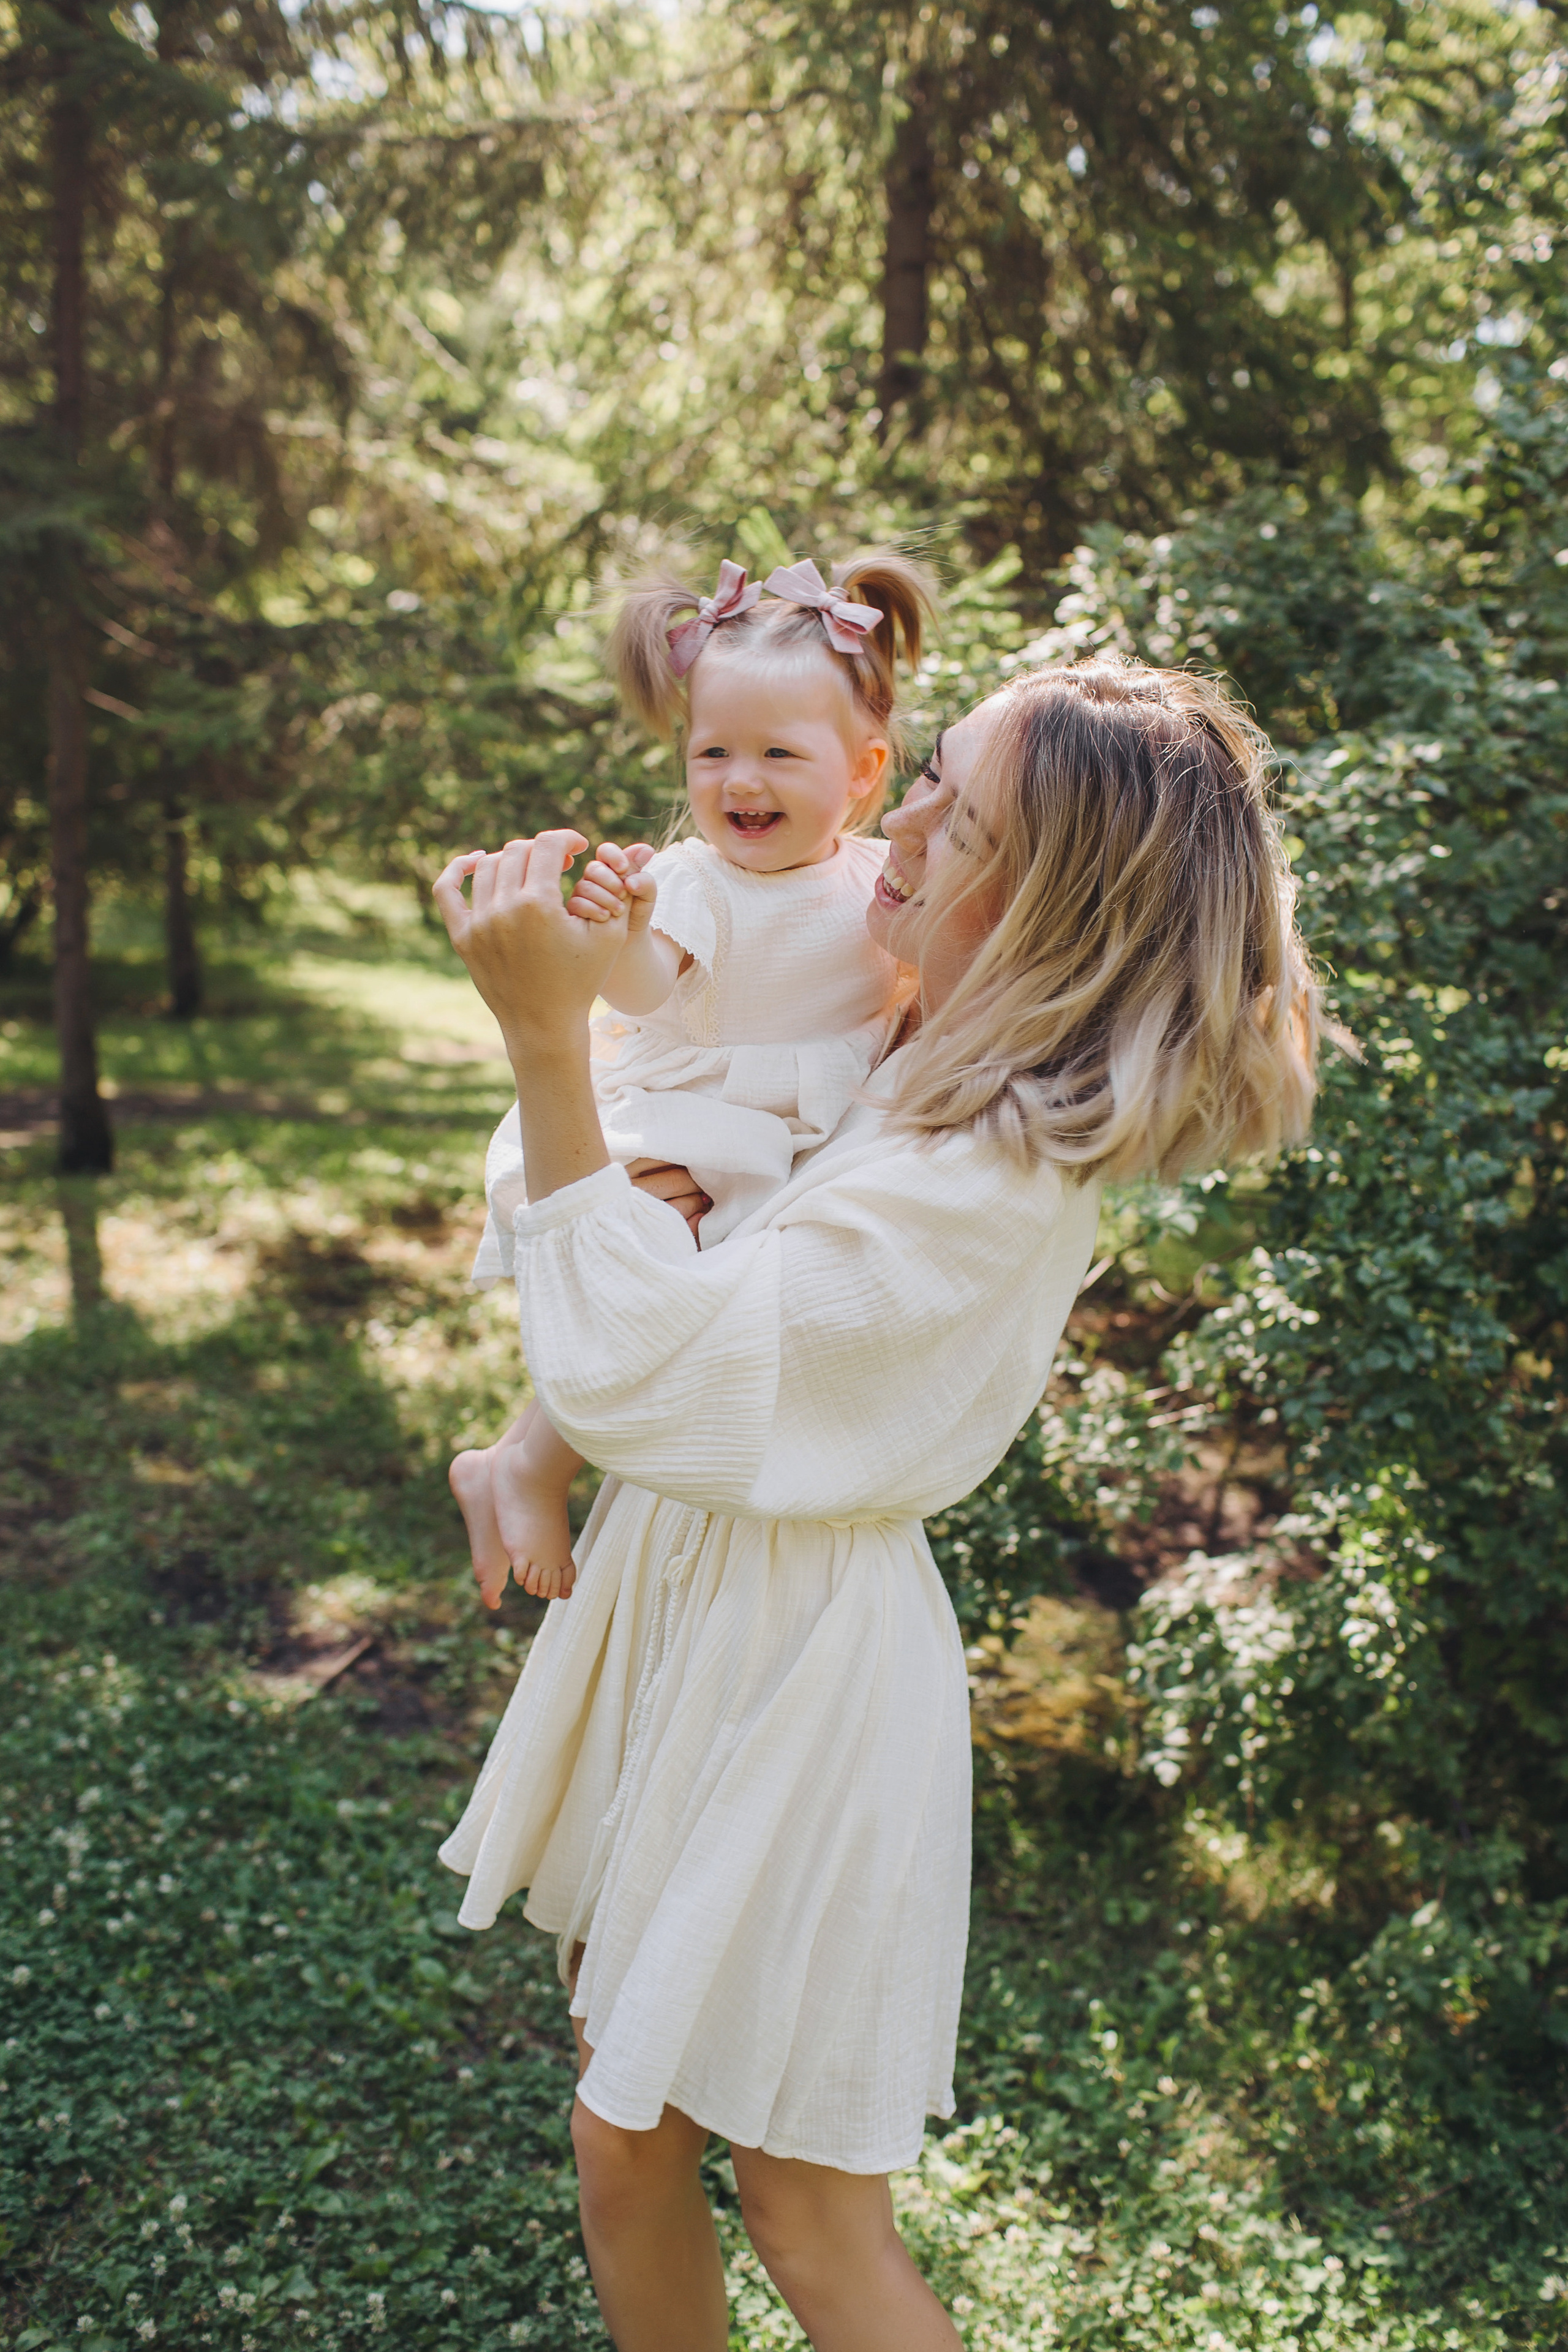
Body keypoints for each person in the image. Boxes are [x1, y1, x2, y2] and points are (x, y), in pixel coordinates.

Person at [431, 659, 1320, 2352]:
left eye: (951, 811)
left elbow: (646, 1382)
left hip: (804, 1668)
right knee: (623, 2133)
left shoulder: (985, 1174)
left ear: (1053, 894)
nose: (893, 811)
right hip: (695, 1600)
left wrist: (548, 1038)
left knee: (806, 2206)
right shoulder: (910, 1055)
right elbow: (682, 1251)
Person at [448, 550, 936, 1607]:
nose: (739, 781)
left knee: (725, 1309)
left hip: (782, 1143)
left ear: (863, 772)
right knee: (656, 1268)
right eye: (711, 752)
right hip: (682, 1128)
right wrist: (621, 925)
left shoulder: (875, 883)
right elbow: (642, 989)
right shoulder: (695, 882)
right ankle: (527, 1462)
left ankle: (525, 1463)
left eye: (776, 754)